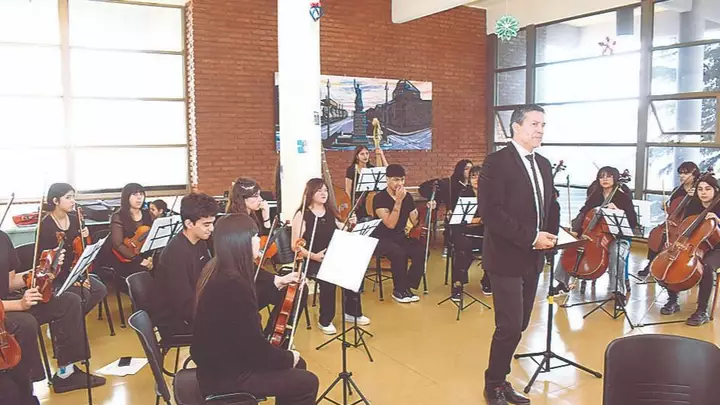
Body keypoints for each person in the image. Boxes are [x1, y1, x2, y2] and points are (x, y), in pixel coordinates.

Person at [191, 214, 319, 404]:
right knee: (308, 382)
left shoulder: (217, 268)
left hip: (216, 365)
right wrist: (286, 357)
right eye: (255, 236)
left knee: (298, 365)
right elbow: (254, 348)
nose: (259, 240)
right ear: (241, 243)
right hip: (229, 375)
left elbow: (240, 318)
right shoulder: (234, 285)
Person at [477, 104, 557, 405]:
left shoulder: (544, 164)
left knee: (520, 324)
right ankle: (494, 384)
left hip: (533, 258)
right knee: (509, 326)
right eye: (535, 124)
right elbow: (491, 213)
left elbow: (548, 206)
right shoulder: (496, 163)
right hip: (505, 257)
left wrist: (553, 235)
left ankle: (501, 377)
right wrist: (532, 237)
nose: (540, 130)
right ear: (516, 127)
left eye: (543, 125)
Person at [0, 230, 106, 394]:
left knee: (69, 302)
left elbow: (10, 282)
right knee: (25, 323)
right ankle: (25, 388)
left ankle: (66, 373)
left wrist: (40, 272)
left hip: (10, 301)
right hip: (5, 310)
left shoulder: (2, 237)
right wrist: (18, 304)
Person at [554, 166, 638, 303]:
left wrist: (618, 211)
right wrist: (575, 229)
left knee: (617, 253)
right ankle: (562, 283)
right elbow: (583, 213)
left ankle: (618, 291)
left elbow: (633, 222)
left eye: (609, 176)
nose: (605, 179)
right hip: (594, 235)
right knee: (570, 246)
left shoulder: (623, 197)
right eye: (601, 176)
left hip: (617, 237)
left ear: (615, 178)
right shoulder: (595, 195)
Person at [291, 178, 363, 335]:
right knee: (329, 279)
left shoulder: (330, 211)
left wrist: (352, 224)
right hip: (311, 258)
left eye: (325, 190)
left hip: (331, 256)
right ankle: (325, 320)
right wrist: (314, 256)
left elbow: (343, 230)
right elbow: (295, 246)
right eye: (319, 190)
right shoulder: (302, 214)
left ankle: (352, 312)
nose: (324, 193)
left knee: (353, 271)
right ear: (310, 193)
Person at [37, 183, 108, 314]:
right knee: (82, 294)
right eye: (68, 197)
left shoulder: (75, 219)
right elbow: (47, 263)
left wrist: (85, 237)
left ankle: (72, 318)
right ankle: (68, 319)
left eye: (73, 197)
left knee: (100, 290)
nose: (73, 201)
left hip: (74, 270)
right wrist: (72, 280)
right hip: (56, 276)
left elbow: (81, 251)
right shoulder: (46, 226)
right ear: (56, 201)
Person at [154, 193, 218, 337]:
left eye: (212, 223)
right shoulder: (175, 254)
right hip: (177, 321)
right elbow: (184, 306)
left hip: (194, 306)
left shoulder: (200, 242)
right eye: (206, 224)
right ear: (189, 224)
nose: (212, 228)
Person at [658, 173, 718, 326]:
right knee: (667, 261)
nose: (703, 192)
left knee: (707, 266)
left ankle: (702, 310)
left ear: (716, 190)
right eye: (700, 189)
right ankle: (673, 300)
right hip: (694, 244)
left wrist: (718, 220)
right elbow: (685, 226)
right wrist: (677, 243)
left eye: (708, 189)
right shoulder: (693, 204)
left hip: (717, 247)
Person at [371, 163, 435, 303]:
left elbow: (415, 220)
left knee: (422, 251)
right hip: (381, 238)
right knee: (399, 253)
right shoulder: (379, 198)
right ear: (387, 179)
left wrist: (427, 209)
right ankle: (398, 291)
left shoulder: (407, 197)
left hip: (400, 236)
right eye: (395, 180)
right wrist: (398, 202)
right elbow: (390, 224)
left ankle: (407, 285)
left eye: (402, 179)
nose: (399, 183)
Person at [639, 161, 699, 277]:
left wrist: (695, 197)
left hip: (687, 225)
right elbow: (672, 209)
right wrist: (665, 207)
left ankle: (670, 266)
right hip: (673, 221)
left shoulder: (698, 190)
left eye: (686, 173)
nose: (682, 176)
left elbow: (698, 209)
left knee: (670, 239)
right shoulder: (677, 190)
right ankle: (651, 264)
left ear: (694, 175)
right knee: (656, 235)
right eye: (680, 173)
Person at [449, 165, 489, 300]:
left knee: (495, 245)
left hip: (482, 231)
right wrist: (480, 220)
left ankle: (487, 281)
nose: (476, 180)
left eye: (479, 176)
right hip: (462, 231)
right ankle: (457, 284)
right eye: (473, 176)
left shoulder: (490, 195)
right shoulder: (464, 194)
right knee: (463, 248)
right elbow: (460, 219)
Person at [109, 183, 153, 277]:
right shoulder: (118, 216)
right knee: (143, 271)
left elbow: (151, 238)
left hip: (144, 253)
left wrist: (150, 257)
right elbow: (118, 245)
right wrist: (140, 260)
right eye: (135, 194)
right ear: (126, 197)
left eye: (141, 194)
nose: (139, 198)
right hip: (126, 258)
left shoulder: (147, 214)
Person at [345, 145, 387, 219]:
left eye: (367, 153)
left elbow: (389, 172)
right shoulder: (351, 169)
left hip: (370, 201)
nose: (365, 156)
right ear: (357, 156)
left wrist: (382, 155)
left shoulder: (371, 169)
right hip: (358, 202)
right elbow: (348, 189)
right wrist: (349, 206)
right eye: (362, 154)